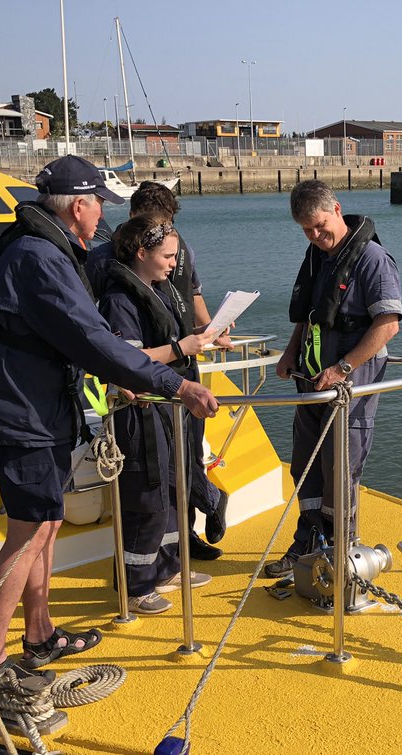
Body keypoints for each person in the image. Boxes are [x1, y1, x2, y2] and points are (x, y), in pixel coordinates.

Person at [0, 155, 219, 687]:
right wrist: (177, 383)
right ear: (79, 205)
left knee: (46, 524)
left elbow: (67, 338)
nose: (105, 208)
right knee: (29, 532)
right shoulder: (40, 257)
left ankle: (39, 635)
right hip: (23, 416)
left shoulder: (36, 246)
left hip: (35, 409)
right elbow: (91, 338)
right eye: (100, 199)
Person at [88, 180, 231, 562]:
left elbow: (192, 299)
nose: (172, 258)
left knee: (184, 458)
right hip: (149, 384)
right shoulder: (106, 268)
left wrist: (209, 330)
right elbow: (111, 342)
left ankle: (182, 542)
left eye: (173, 247)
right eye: (165, 252)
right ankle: (195, 514)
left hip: (178, 370)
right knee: (158, 476)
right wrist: (177, 349)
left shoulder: (175, 256)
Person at [266, 180, 402, 577]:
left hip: (347, 388)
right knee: (305, 466)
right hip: (310, 383)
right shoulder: (316, 257)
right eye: (307, 230)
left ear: (337, 209)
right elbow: (311, 316)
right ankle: (306, 544)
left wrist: (342, 367)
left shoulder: (372, 259)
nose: (316, 236)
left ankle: (338, 552)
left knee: (340, 471)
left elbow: (388, 325)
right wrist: (291, 353)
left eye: (321, 226)